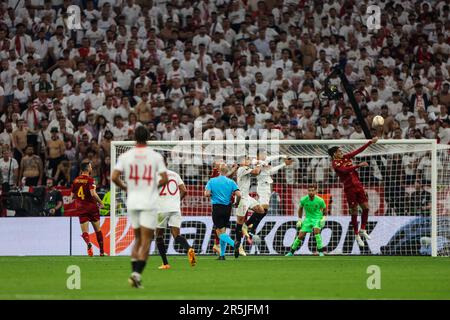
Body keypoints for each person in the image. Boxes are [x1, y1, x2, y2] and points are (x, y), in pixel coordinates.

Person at [111, 126, 168, 289]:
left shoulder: (125, 156)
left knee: (137, 239)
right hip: (148, 202)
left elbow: (114, 177)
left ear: (134, 137)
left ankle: (134, 275)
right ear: (148, 138)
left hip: (133, 201)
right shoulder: (156, 157)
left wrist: (125, 188)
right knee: (146, 240)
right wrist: (152, 186)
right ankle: (136, 274)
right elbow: (164, 179)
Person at [328, 137, 378, 247]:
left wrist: (370, 142)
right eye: (339, 151)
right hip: (349, 188)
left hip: (359, 186)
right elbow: (344, 170)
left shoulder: (346, 157)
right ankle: (356, 235)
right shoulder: (335, 163)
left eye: (341, 151)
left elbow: (358, 151)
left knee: (366, 207)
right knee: (354, 211)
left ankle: (363, 229)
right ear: (334, 154)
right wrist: (358, 165)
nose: (342, 152)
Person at [155, 162, 196, 269]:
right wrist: (177, 201)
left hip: (161, 209)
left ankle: (165, 264)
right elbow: (184, 190)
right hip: (175, 208)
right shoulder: (175, 174)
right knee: (176, 235)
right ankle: (189, 249)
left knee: (159, 236)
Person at [204, 164, 242, 260]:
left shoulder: (212, 181)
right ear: (226, 172)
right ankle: (222, 255)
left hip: (217, 208)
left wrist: (213, 194)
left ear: (219, 171)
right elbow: (239, 194)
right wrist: (237, 203)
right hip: (227, 208)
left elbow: (207, 194)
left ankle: (234, 244)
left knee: (219, 231)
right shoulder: (231, 182)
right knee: (223, 230)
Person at [71, 162, 105, 257]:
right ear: (87, 169)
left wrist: (79, 198)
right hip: (92, 207)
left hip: (81, 208)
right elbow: (93, 193)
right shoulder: (90, 180)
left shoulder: (75, 180)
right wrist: (101, 202)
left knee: (85, 232)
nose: (91, 167)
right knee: (98, 230)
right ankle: (101, 252)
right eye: (90, 166)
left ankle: (88, 243)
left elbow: (72, 196)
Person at [235, 157, 265, 255]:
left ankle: (246, 225)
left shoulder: (246, 169)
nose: (248, 161)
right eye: (246, 159)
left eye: (248, 159)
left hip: (247, 197)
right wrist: (259, 163)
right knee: (239, 223)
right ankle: (239, 246)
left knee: (261, 210)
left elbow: (257, 172)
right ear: (241, 162)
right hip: (241, 199)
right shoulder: (242, 169)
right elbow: (256, 172)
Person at [286, 185, 327, 257]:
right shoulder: (303, 199)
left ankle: (320, 252)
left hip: (317, 218)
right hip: (307, 219)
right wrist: (299, 220)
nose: (311, 192)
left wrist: (323, 218)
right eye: (309, 190)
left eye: (312, 190)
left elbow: (325, 209)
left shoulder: (320, 200)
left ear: (315, 191)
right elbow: (300, 209)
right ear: (307, 191)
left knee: (316, 232)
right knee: (300, 236)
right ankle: (291, 252)